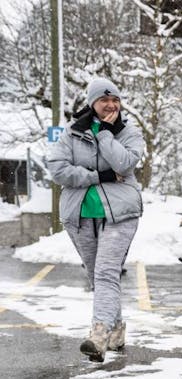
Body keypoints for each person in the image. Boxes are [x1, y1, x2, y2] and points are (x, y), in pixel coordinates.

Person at [47, 77, 145, 363]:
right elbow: (58, 170)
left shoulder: (129, 132)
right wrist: (98, 176)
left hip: (120, 213)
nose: (111, 105)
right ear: (92, 103)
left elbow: (125, 163)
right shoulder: (72, 133)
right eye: (104, 100)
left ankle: (99, 335)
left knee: (105, 272)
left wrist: (104, 134)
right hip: (79, 214)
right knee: (97, 275)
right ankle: (116, 329)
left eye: (115, 100)